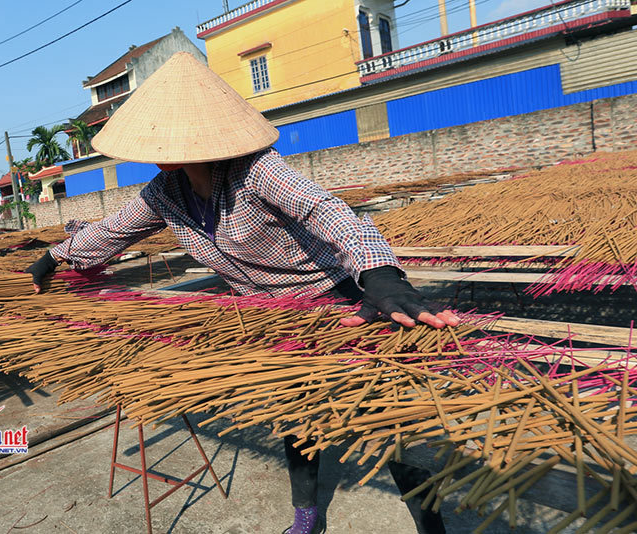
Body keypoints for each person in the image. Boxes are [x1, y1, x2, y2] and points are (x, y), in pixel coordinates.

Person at [25, 52, 458, 534]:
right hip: (271, 315)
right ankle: (307, 516)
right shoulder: (164, 192)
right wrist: (57, 255)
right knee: (298, 414)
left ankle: (431, 526)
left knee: (388, 414)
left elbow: (327, 211)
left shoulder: (257, 171)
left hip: (338, 300)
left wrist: (380, 275)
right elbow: (112, 231)